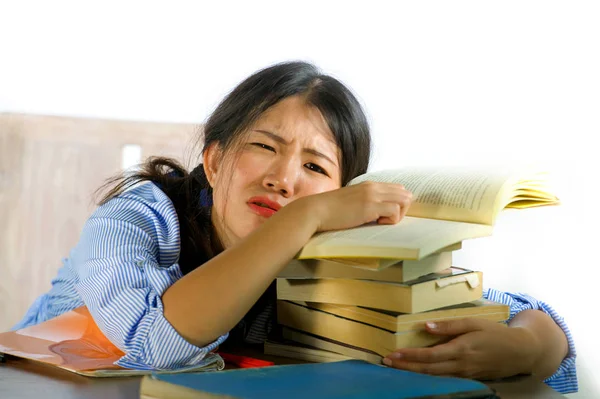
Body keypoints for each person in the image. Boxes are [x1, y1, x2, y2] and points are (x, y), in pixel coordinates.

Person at [13, 61, 577, 394]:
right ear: (213, 161)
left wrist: (529, 346)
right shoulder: (137, 219)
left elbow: (523, 312)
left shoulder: (332, 252)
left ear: (343, 195)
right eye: (265, 147)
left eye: (314, 168)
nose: (284, 180)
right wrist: (303, 216)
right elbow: (151, 345)